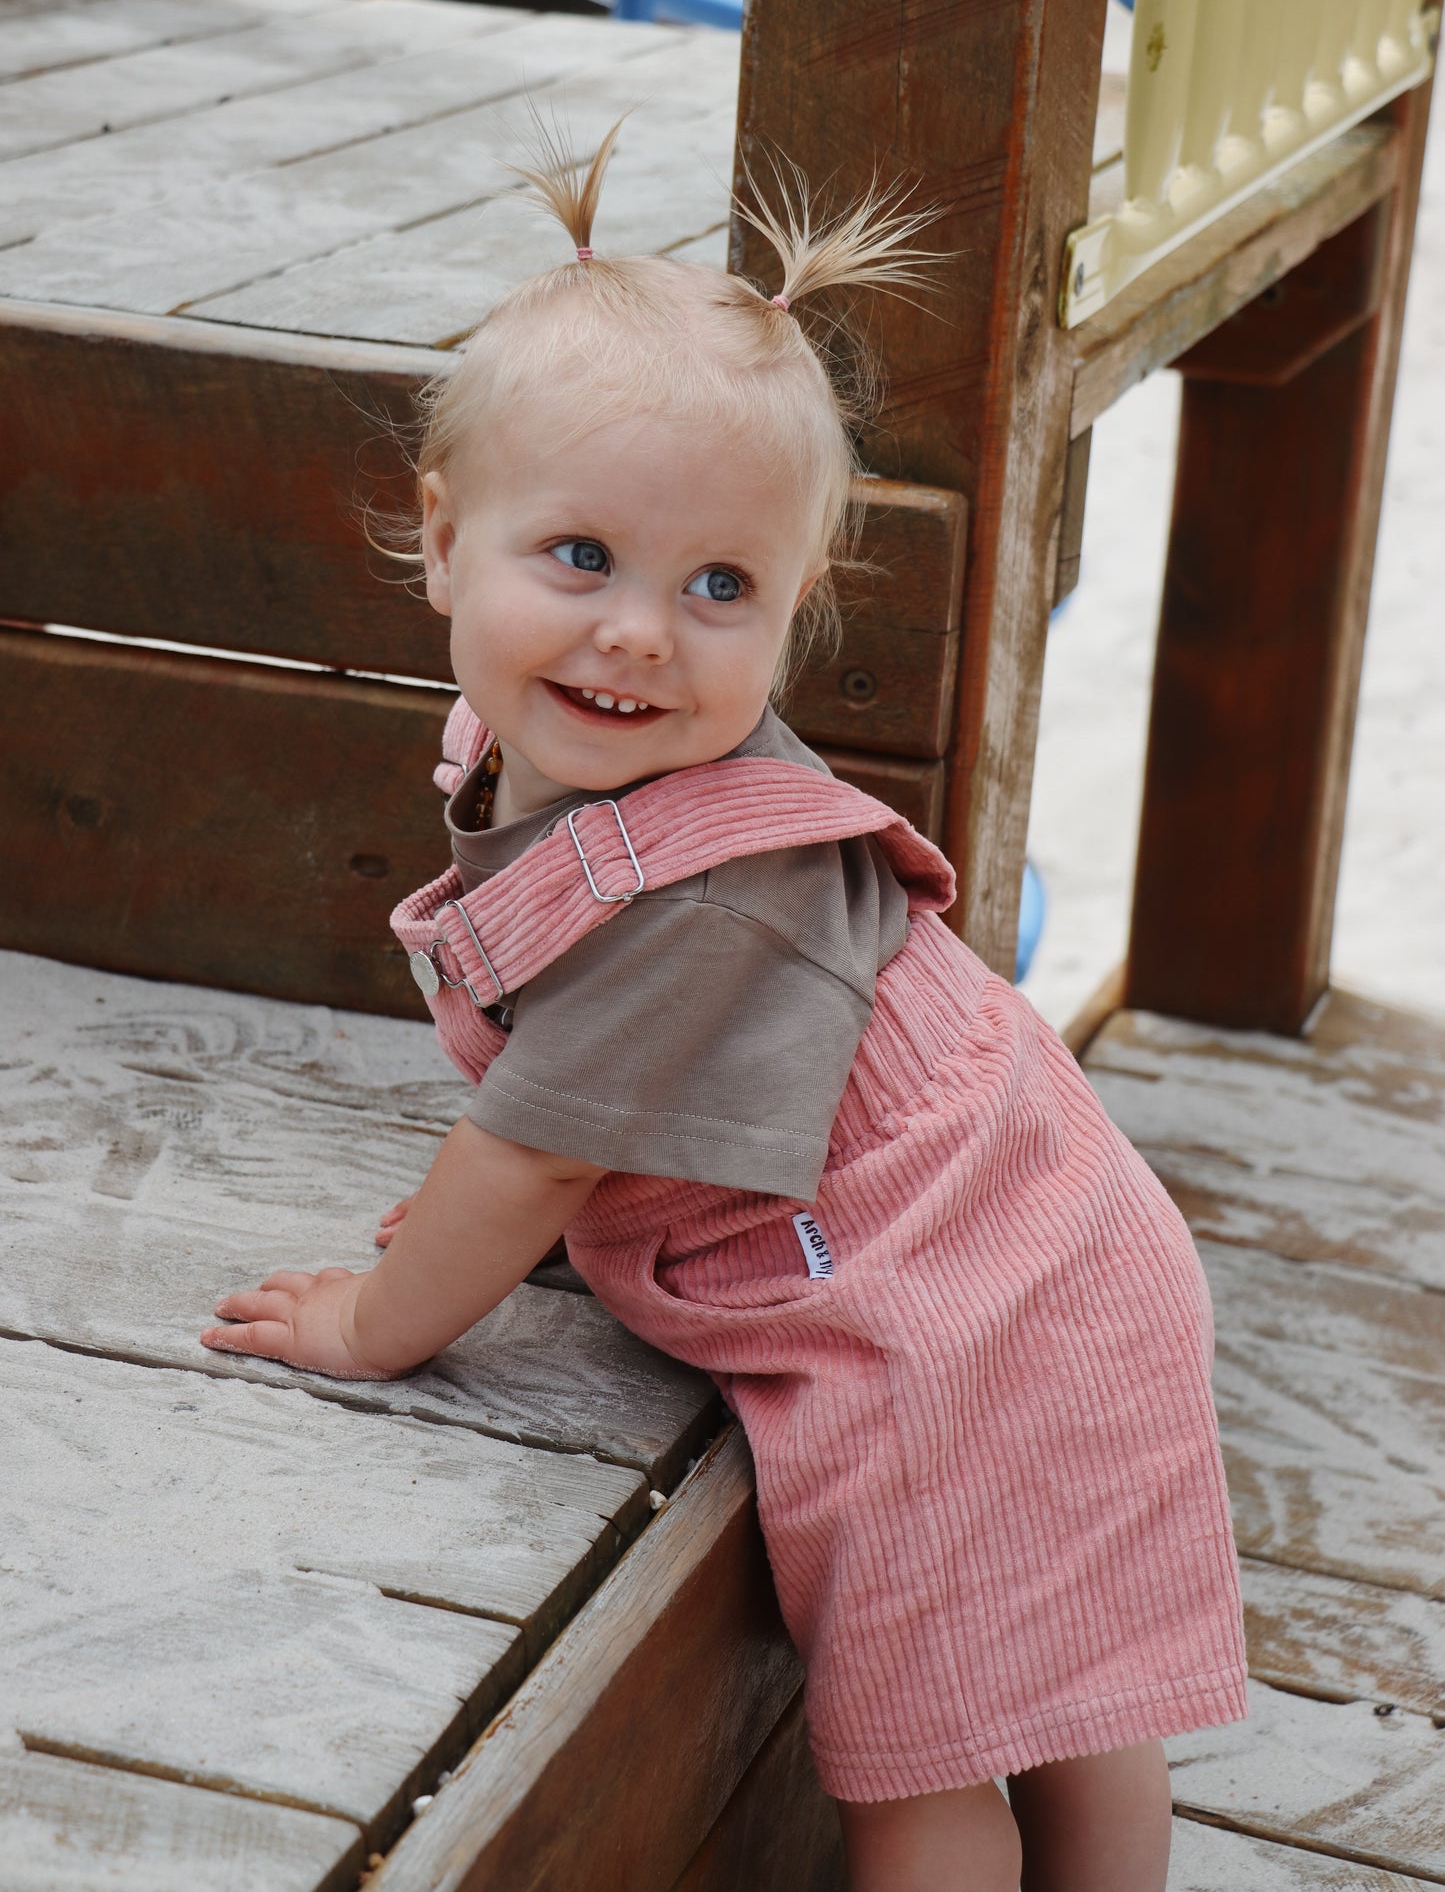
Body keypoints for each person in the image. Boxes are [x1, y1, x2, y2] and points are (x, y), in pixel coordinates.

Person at [202, 118, 1247, 1891]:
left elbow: (533, 1146)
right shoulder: (561, 772)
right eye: (581, 558)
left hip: (957, 1325)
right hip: (1050, 1251)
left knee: (923, 1760)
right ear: (445, 541)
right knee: (1070, 1706)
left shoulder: (699, 899)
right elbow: (591, 1095)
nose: (636, 639)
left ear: (788, 612)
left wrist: (386, 1317)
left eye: (718, 591)